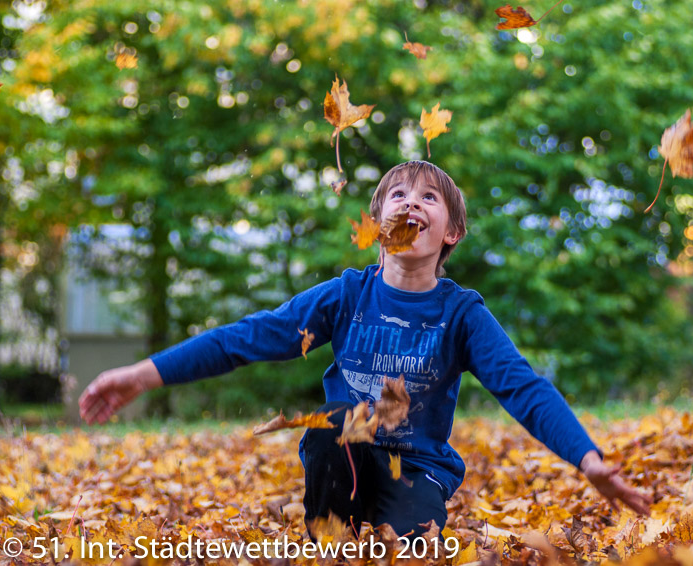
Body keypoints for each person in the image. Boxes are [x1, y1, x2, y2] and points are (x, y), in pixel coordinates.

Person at [79, 160, 650, 540]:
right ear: (377, 224)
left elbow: (523, 387)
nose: (412, 202)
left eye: (429, 197)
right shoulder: (347, 296)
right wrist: (144, 374)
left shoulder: (462, 314)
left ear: (450, 232)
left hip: (417, 472)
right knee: (332, 426)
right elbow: (244, 338)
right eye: (397, 194)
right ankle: (324, 537)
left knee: (405, 547)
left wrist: (588, 459)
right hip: (341, 458)